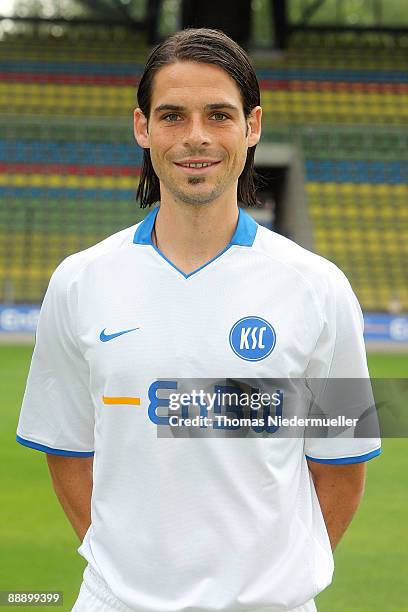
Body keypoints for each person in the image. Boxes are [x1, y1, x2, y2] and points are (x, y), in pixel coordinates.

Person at [16, 28, 381, 612]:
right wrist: (128, 582)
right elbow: (65, 447)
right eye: (172, 116)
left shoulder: (320, 288)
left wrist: (270, 589)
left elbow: (342, 467)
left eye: (218, 115)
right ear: (143, 128)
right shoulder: (79, 282)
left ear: (251, 126)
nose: (195, 137)